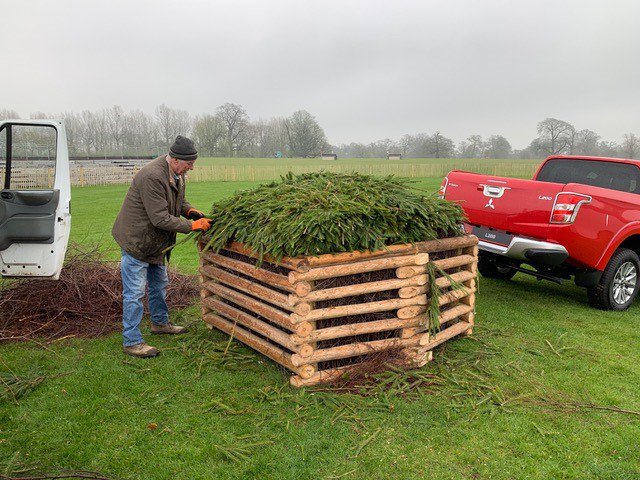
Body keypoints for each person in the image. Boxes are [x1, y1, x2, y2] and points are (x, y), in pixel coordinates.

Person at [112, 135, 212, 358]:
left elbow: (177, 201)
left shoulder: (177, 174)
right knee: (135, 293)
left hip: (156, 242)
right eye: (189, 164)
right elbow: (159, 218)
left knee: (159, 285)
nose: (191, 168)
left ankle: (160, 323)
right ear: (176, 160)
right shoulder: (152, 176)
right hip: (137, 240)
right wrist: (192, 225)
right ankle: (132, 341)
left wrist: (189, 210)